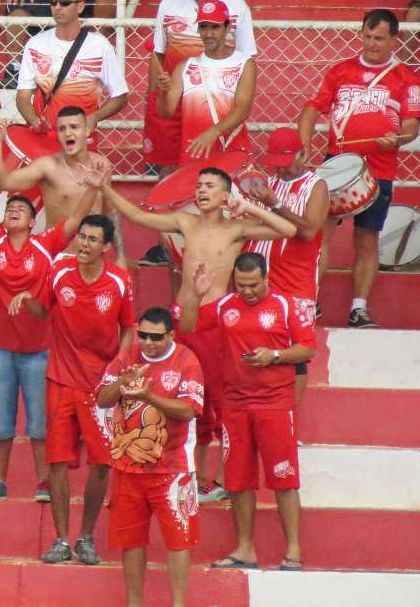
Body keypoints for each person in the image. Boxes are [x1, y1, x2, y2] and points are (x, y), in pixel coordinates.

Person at [95, 166, 296, 501]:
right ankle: (193, 474)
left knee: (218, 399)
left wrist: (249, 207)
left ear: (225, 194)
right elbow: (137, 216)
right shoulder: (185, 222)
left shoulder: (236, 228)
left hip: (214, 320)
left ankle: (220, 480)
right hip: (182, 316)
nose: (201, 190)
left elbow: (288, 229)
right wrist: (105, 187)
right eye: (199, 185)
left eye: (210, 186)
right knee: (186, 396)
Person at [0, 147, 106, 502]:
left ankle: (44, 483)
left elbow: (76, 220)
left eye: (22, 209)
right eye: (9, 209)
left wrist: (93, 188)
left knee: (39, 423)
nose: (14, 210)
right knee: (0, 420)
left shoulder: (46, 243)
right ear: (3, 221)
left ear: (34, 221)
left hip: (38, 349)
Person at [178, 253, 315, 572]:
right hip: (235, 405)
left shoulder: (285, 306)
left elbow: (307, 347)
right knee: (238, 481)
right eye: (241, 285)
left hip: (275, 404)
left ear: (266, 278)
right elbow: (187, 327)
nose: (248, 291)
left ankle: (293, 549)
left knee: (284, 478)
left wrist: (274, 356)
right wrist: (195, 296)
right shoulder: (226, 305)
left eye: (253, 285)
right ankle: (245, 549)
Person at [298, 8, 420, 329]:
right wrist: (304, 143)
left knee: (367, 240)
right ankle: (309, 301)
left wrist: (397, 137)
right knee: (318, 234)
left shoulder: (407, 79)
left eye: (379, 38)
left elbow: (411, 126)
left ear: (394, 40)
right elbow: (312, 108)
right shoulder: (340, 71)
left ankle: (359, 309)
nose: (370, 44)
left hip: (379, 170)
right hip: (335, 166)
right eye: (366, 36)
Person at [140, 0, 255, 266]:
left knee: (222, 176)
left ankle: (224, 247)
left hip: (215, 98)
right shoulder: (169, 4)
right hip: (178, 92)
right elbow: (157, 53)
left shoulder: (237, 6)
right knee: (168, 172)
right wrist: (157, 94)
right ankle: (169, 244)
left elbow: (246, 59)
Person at [39, 214, 134, 566]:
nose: (84, 244)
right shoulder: (59, 271)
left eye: (93, 239)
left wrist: (118, 363)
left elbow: (129, 328)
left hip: (100, 387)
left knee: (101, 463)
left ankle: (86, 538)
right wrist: (22, 297)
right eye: (81, 237)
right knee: (56, 461)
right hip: (61, 380)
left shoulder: (120, 280)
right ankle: (61, 540)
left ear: (106, 246)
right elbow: (40, 310)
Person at [96, 307, 204, 607]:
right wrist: (121, 382)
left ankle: (178, 604)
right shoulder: (126, 357)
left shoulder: (187, 361)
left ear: (170, 335)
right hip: (127, 468)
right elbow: (102, 399)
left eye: (156, 337)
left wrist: (148, 397)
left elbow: (189, 410)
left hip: (173, 468)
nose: (148, 342)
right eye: (142, 335)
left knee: (179, 540)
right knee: (130, 541)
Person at [246, 128, 329, 404]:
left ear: (303, 155)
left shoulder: (316, 186)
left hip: (295, 280)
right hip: (261, 277)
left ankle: (290, 410)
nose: (281, 170)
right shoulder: (267, 183)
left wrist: (275, 204)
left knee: (296, 350)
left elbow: (308, 232)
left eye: (286, 163)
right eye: (276, 164)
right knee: (256, 342)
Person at [13, 0, 130, 153]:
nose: (57, 7)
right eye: (53, 2)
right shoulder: (35, 44)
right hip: (44, 139)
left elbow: (120, 96)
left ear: (80, 7)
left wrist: (94, 118)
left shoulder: (99, 45)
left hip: (80, 142)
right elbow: (22, 97)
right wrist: (34, 120)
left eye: (65, 2)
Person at [160, 0, 255, 165]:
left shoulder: (245, 64)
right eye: (204, 27)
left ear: (228, 28)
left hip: (230, 155)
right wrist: (162, 91)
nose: (209, 34)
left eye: (215, 27)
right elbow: (166, 112)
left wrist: (213, 132)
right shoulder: (184, 66)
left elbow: (243, 110)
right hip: (194, 154)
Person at [0, 110, 111, 231]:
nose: (68, 133)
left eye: (74, 127)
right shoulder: (48, 166)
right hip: (59, 244)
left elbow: (109, 213)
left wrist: (117, 244)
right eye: (62, 129)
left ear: (87, 131)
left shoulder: (102, 164)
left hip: (94, 243)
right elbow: (1, 183)